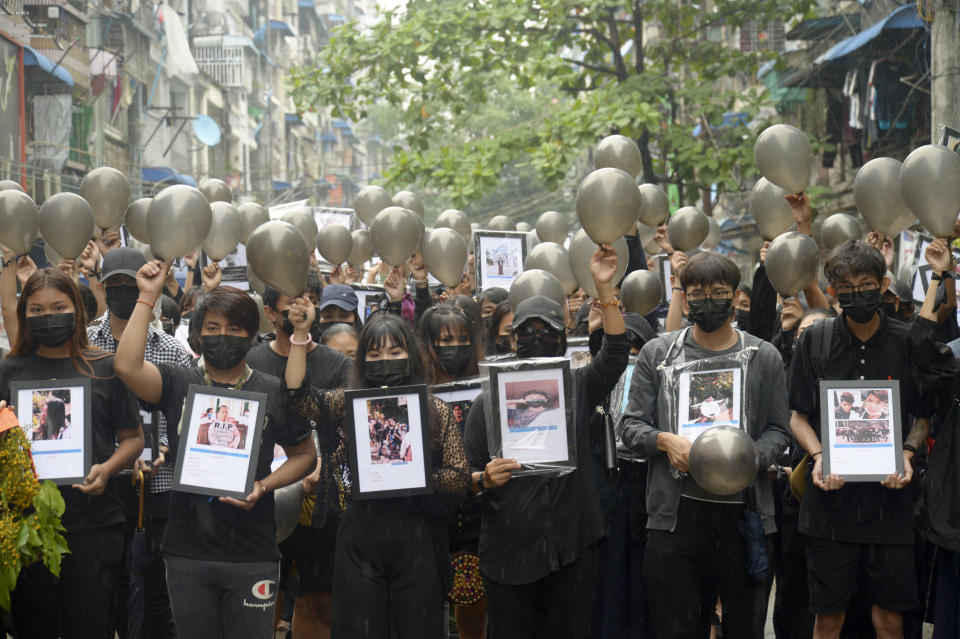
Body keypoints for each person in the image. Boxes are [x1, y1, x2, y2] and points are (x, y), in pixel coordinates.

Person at [115, 262, 317, 638]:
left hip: (253, 553)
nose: (223, 336)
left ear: (252, 334)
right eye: (212, 328)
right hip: (187, 552)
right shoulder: (178, 380)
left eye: (235, 329)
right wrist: (147, 296)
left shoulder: (273, 390)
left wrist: (264, 486)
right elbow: (126, 366)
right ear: (198, 334)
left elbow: (305, 456)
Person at [620, 251, 791, 639]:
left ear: (734, 297)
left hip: (744, 516)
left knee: (746, 625)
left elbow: (780, 431)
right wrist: (663, 440)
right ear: (682, 298)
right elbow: (630, 426)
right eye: (697, 293)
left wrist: (746, 457)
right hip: (674, 514)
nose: (707, 301)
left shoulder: (764, 357)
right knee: (675, 626)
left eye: (719, 292)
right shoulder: (658, 354)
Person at [463, 243, 628, 638]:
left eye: (548, 332)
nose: (537, 338)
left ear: (562, 339)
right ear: (512, 340)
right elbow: (463, 476)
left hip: (571, 545)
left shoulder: (579, 386)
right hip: (508, 555)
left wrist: (604, 288)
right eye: (527, 332)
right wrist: (483, 478)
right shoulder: (487, 403)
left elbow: (617, 352)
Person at [284, 311, 470, 638]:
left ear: (410, 356)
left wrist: (415, 473)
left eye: (395, 352)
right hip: (361, 538)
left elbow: (459, 476)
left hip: (417, 538)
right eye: (375, 353)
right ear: (362, 361)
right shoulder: (348, 404)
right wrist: (300, 334)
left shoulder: (435, 410)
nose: (385, 359)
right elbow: (299, 397)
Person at [788, 239, 930, 639]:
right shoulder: (814, 341)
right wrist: (819, 456)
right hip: (829, 508)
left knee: (889, 620)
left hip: (891, 504)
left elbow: (923, 414)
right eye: (845, 289)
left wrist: (905, 452)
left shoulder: (906, 341)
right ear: (831, 292)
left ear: (883, 285)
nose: (856, 295)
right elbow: (797, 417)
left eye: (865, 285)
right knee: (828, 621)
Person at [0, 268, 144, 638]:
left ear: (77, 311)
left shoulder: (106, 367)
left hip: (94, 525)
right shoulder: (8, 370)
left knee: (91, 627)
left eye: (58, 306)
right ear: (23, 314)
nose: (47, 316)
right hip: (27, 529)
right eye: (36, 310)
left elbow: (133, 439)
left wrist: (107, 469)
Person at [86, 247, 193, 639]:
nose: (122, 291)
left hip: (157, 485)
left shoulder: (168, 347)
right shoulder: (85, 343)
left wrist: (164, 445)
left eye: (130, 284)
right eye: (114, 285)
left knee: (156, 586)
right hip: (103, 480)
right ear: (101, 287)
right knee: (109, 581)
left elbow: (180, 406)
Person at [247, 284, 352, 639]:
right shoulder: (251, 361)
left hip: (320, 501)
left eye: (306, 304)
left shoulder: (336, 364)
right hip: (260, 499)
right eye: (289, 307)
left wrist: (326, 463)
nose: (299, 313)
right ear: (270, 313)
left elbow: (349, 429)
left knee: (317, 600)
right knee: (261, 598)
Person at [418, 304, 482, 384]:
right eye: (446, 340)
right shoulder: (417, 388)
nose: (456, 345)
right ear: (428, 342)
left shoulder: (483, 379)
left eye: (463, 339)